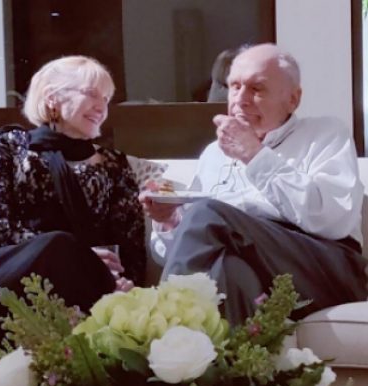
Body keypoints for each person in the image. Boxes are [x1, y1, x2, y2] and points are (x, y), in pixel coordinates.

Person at [0, 56, 146, 386]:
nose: (102, 106)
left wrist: (126, 283)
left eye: (107, 98)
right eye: (92, 94)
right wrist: (70, 252)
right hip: (20, 273)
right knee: (56, 247)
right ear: (53, 98)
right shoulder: (9, 147)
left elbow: (129, 244)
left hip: (88, 284)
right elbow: (0, 226)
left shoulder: (114, 163)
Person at [141, 43, 368, 326]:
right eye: (234, 87)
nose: (240, 99)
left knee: (206, 213)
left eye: (257, 89)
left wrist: (254, 155)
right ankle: (228, 366)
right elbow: (193, 248)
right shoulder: (214, 153)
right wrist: (171, 222)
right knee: (229, 270)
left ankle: (157, 332)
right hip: (259, 273)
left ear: (293, 99)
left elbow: (332, 221)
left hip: (325, 269)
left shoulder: (325, 134)